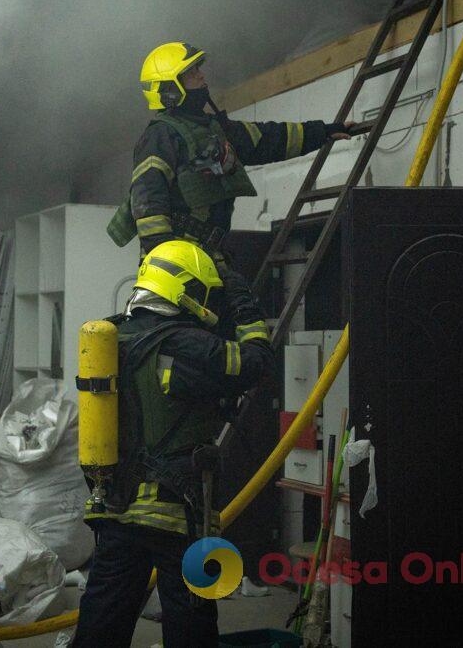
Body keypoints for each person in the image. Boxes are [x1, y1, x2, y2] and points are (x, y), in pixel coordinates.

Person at [72, 240, 274, 648]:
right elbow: (256, 362)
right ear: (185, 290)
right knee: (190, 622)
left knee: (102, 620)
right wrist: (243, 303)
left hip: (116, 506)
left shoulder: (114, 338)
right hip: (176, 513)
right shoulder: (190, 344)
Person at [108, 41, 354, 258]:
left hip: (210, 256)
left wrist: (323, 132)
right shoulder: (159, 136)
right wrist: (164, 258)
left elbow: (268, 139)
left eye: (198, 69)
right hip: (176, 260)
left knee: (242, 310)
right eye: (192, 73)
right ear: (171, 89)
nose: (202, 77)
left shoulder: (215, 129)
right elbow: (148, 201)